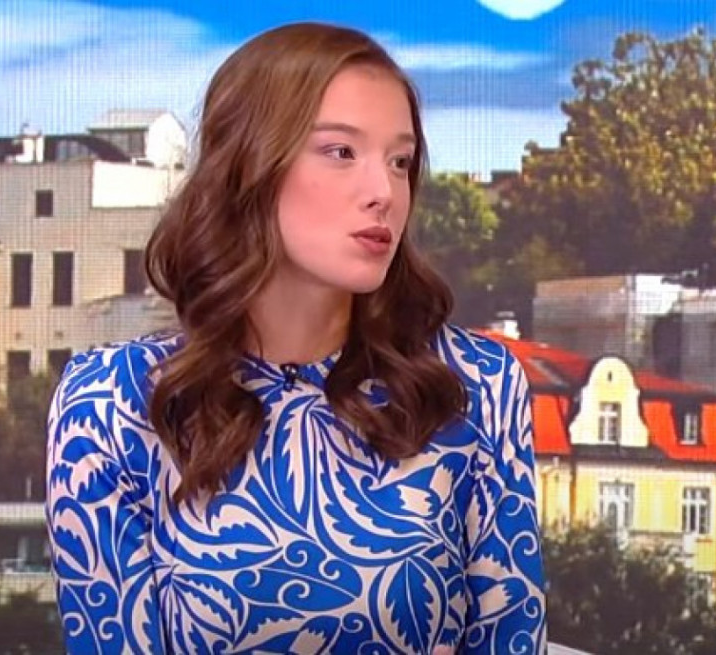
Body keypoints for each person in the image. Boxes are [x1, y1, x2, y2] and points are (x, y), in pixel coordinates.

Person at [46, 21, 546, 655]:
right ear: (250, 166)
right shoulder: (109, 403)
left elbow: (511, 636)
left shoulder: (475, 386)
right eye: (341, 152)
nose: (383, 193)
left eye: (400, 162)